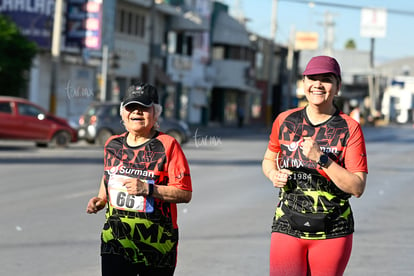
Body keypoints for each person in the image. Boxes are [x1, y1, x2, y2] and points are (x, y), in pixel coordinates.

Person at [262, 56, 368, 276]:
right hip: (287, 225)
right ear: (304, 83)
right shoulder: (285, 120)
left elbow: (357, 187)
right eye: (312, 78)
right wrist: (273, 174)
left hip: (332, 230)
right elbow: (268, 159)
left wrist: (322, 158)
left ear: (337, 86)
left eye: (326, 79)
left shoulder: (350, 128)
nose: (318, 84)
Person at [86, 82, 192, 276]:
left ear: (156, 113)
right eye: (131, 107)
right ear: (123, 112)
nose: (137, 112)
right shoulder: (112, 145)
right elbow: (108, 178)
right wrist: (100, 200)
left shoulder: (168, 145)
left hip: (157, 247)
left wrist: (148, 189)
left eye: (144, 108)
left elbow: (184, 193)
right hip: (115, 243)